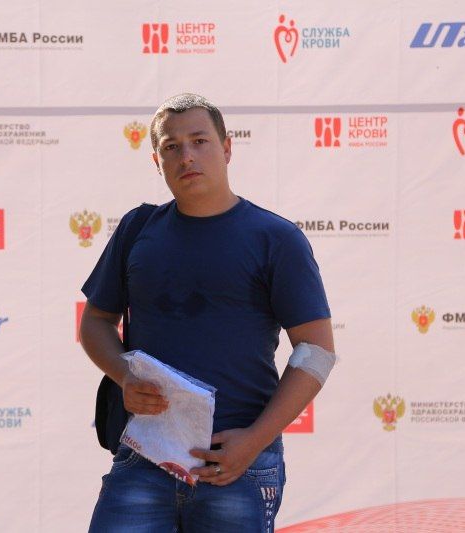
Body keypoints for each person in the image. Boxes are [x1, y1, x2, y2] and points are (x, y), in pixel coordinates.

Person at [79, 93, 335, 532]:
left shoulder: (275, 238)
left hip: (236, 465)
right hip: (143, 456)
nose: (187, 156)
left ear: (227, 148)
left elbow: (316, 353)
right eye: (171, 146)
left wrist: (253, 442)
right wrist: (124, 376)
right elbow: (96, 323)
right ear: (157, 161)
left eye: (200, 141)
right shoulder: (137, 229)